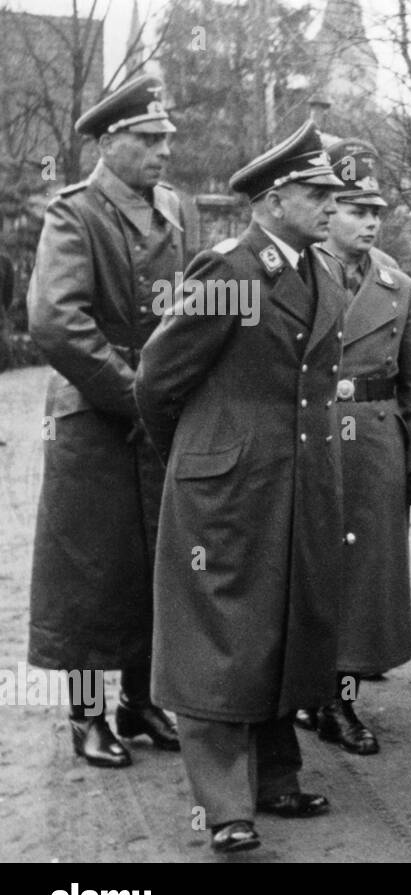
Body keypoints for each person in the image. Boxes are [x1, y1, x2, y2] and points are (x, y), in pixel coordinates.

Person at [134, 120, 349, 853]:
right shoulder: (231, 272)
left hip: (296, 482)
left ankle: (276, 776)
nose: (332, 203)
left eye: (332, 191)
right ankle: (227, 806)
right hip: (227, 485)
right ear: (274, 197)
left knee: (283, 620)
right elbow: (159, 378)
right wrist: (199, 456)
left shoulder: (321, 270)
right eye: (318, 192)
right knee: (219, 636)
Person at [27, 74, 193, 769]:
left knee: (154, 560)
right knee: (91, 570)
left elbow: (191, 304)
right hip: (96, 416)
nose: (162, 152)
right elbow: (56, 323)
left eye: (166, 139)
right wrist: (134, 395)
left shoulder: (175, 210)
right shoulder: (75, 214)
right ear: (109, 142)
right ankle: (86, 713)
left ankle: (141, 698)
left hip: (156, 411)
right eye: (148, 139)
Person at [294, 139, 411, 755]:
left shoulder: (398, 285)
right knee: (308, 566)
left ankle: (342, 699)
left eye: (376, 210)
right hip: (314, 433)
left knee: (367, 580)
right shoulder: (300, 274)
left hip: (377, 438)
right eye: (356, 208)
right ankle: (304, 689)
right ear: (328, 212)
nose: (371, 222)